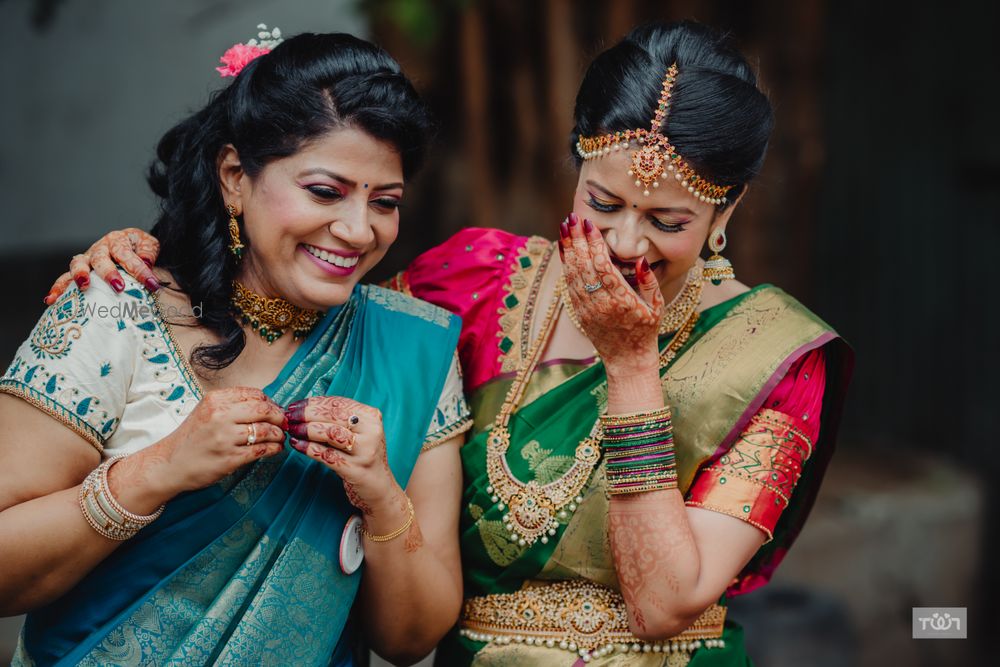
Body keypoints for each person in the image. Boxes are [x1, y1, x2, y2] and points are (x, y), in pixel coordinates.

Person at [50, 21, 853, 666]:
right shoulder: (475, 281)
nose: (622, 243)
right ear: (574, 160)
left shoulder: (773, 356)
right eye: (602, 201)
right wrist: (156, 257)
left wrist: (633, 365)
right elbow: (310, 307)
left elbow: (663, 600)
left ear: (728, 209)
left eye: (667, 223)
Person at [0, 29, 472, 666]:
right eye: (325, 192)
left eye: (384, 202)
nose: (359, 231)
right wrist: (159, 471)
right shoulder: (115, 307)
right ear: (233, 177)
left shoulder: (410, 350)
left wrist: (381, 496)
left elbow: (412, 640)